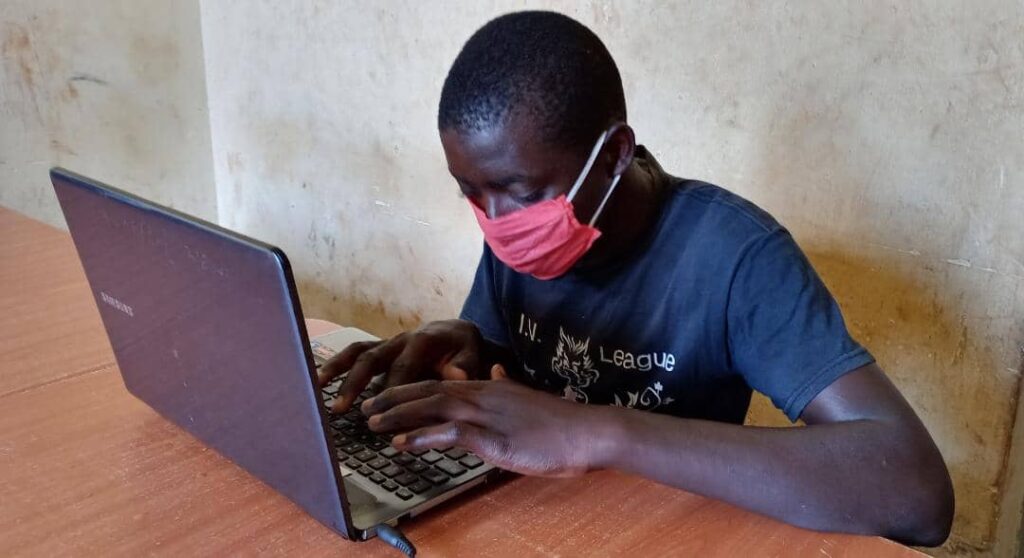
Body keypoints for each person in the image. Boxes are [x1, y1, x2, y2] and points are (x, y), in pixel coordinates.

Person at [319, 10, 953, 546]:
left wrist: (598, 431)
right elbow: (510, 389)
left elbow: (917, 496)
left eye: (521, 192)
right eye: (472, 193)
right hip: (543, 526)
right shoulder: (516, 230)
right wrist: (472, 349)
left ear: (615, 154)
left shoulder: (734, 257)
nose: (497, 223)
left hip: (670, 534)